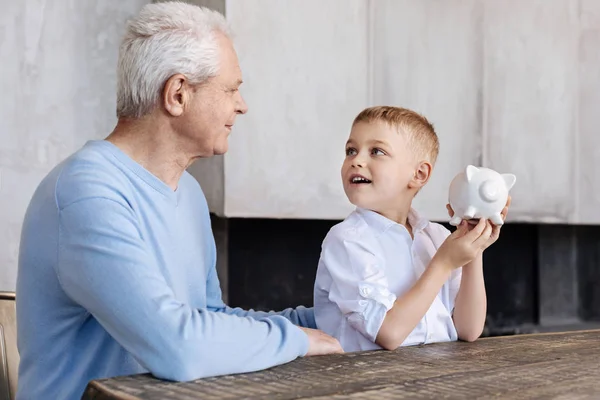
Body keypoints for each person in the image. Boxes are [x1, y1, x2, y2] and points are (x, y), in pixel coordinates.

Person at [16, 2, 342, 399]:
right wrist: (297, 340)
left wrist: (332, 321)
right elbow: (179, 346)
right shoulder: (86, 193)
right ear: (178, 94)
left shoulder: (186, 191)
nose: (241, 105)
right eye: (231, 89)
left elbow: (209, 321)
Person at [313, 106, 510, 352]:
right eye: (351, 150)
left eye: (377, 151)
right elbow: (389, 333)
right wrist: (444, 263)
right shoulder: (347, 240)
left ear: (418, 174)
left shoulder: (437, 237)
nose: (357, 160)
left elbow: (468, 330)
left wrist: (473, 247)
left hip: (436, 374)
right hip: (370, 381)